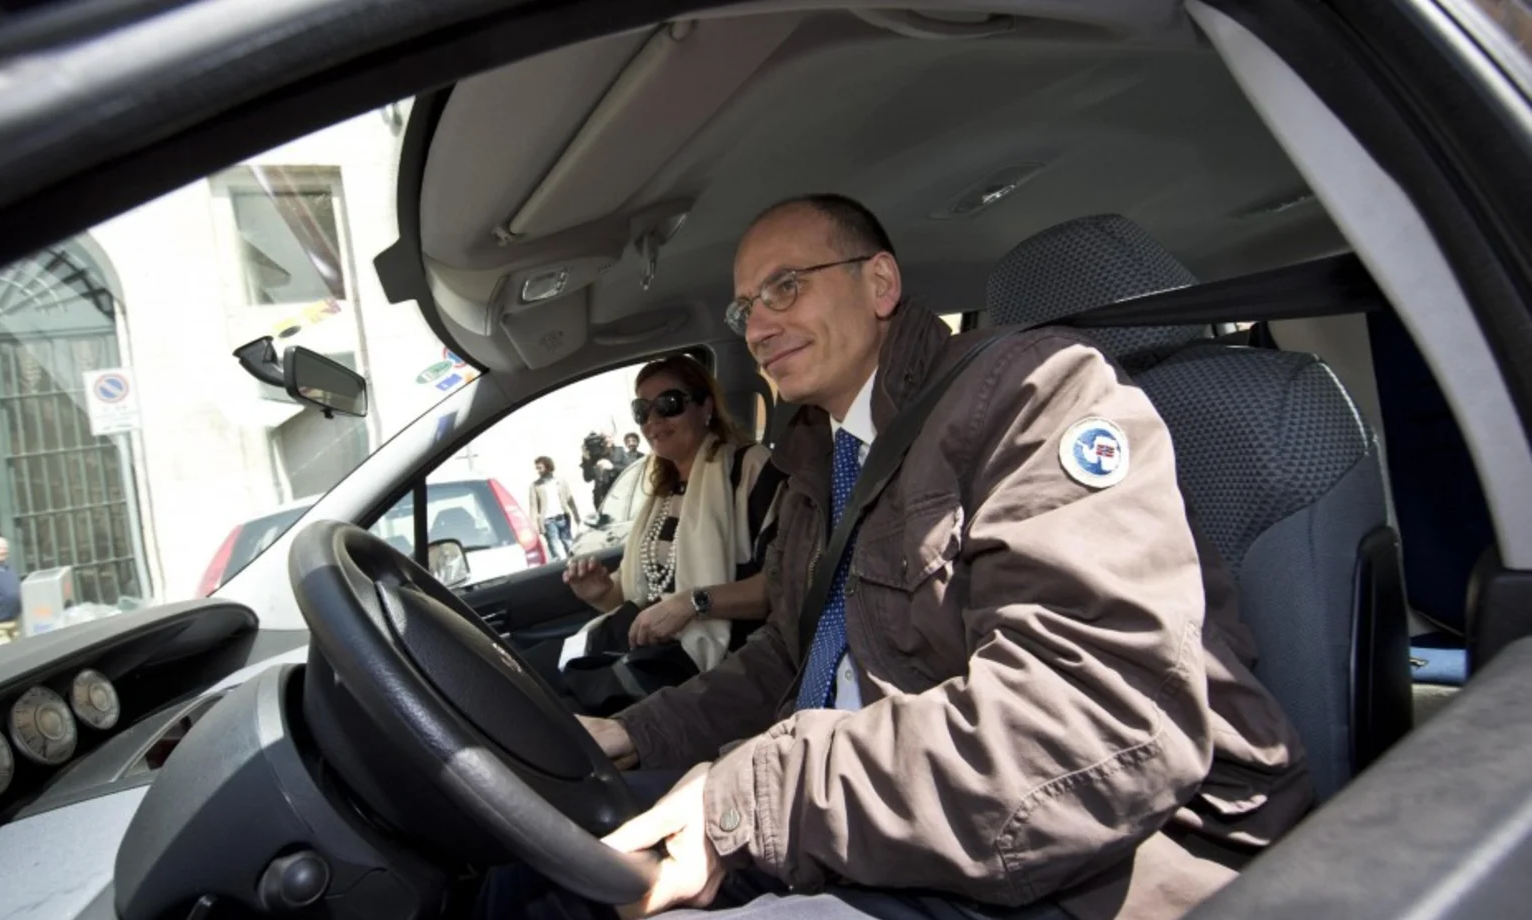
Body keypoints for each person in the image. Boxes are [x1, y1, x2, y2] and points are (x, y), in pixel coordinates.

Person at [481, 195, 1310, 920]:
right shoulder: (815, 459)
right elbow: (788, 656)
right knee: (537, 869)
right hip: (872, 811)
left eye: (786, 286)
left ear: (879, 284)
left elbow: (1091, 727)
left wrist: (755, 793)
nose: (759, 325)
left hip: (1077, 865)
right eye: (745, 310)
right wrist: (630, 736)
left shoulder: (1033, 397)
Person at [521, 355, 785, 713]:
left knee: (544, 707)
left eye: (668, 405)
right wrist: (602, 593)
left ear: (705, 406)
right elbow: (645, 598)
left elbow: (778, 588)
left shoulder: (749, 468)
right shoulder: (661, 490)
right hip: (637, 642)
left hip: (698, 662)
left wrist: (691, 603)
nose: (653, 421)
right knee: (520, 673)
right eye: (642, 410)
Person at [529, 457, 581, 561]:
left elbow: (570, 499)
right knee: (556, 548)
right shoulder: (535, 486)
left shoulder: (560, 482)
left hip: (562, 517)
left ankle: (574, 565)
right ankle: (561, 569)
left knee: (569, 543)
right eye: (537, 468)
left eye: (540, 468)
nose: (538, 471)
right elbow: (533, 506)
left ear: (548, 467)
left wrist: (576, 516)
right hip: (548, 521)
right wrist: (534, 525)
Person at [580, 432, 632, 512]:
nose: (607, 440)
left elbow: (630, 469)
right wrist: (586, 459)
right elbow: (587, 478)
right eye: (604, 438)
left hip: (620, 496)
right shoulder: (593, 456)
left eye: (609, 437)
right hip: (601, 499)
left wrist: (612, 467)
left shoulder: (619, 450)